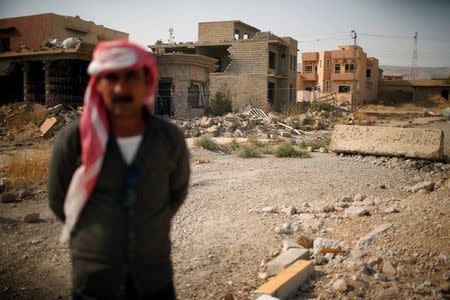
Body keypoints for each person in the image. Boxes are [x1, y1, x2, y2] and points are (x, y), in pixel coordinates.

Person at [48, 39, 190, 299]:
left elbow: (176, 194)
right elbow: (58, 201)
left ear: (147, 81)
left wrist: (146, 223)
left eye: (130, 76)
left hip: (154, 279)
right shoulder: (73, 140)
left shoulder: (169, 139)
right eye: (110, 77)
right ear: (97, 83)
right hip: (95, 282)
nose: (120, 87)